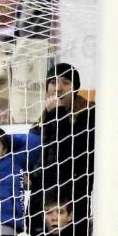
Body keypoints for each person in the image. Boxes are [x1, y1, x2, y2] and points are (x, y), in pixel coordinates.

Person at [28, 62, 95, 220]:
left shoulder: (89, 115)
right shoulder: (40, 123)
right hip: (41, 206)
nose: (57, 88)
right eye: (53, 82)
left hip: (72, 206)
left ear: (75, 88)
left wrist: (56, 113)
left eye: (65, 82)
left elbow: (69, 152)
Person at [26, 194, 91, 236]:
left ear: (69, 216)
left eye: (60, 212)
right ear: (42, 217)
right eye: (48, 212)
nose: (54, 218)